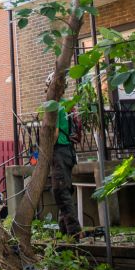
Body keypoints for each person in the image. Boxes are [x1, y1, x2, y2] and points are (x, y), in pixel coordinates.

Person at [51, 101, 81, 237]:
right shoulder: (68, 104)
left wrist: (46, 150)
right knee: (65, 189)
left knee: (60, 191)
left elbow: (55, 133)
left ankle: (74, 232)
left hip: (60, 151)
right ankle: (64, 230)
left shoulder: (55, 106)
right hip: (69, 152)